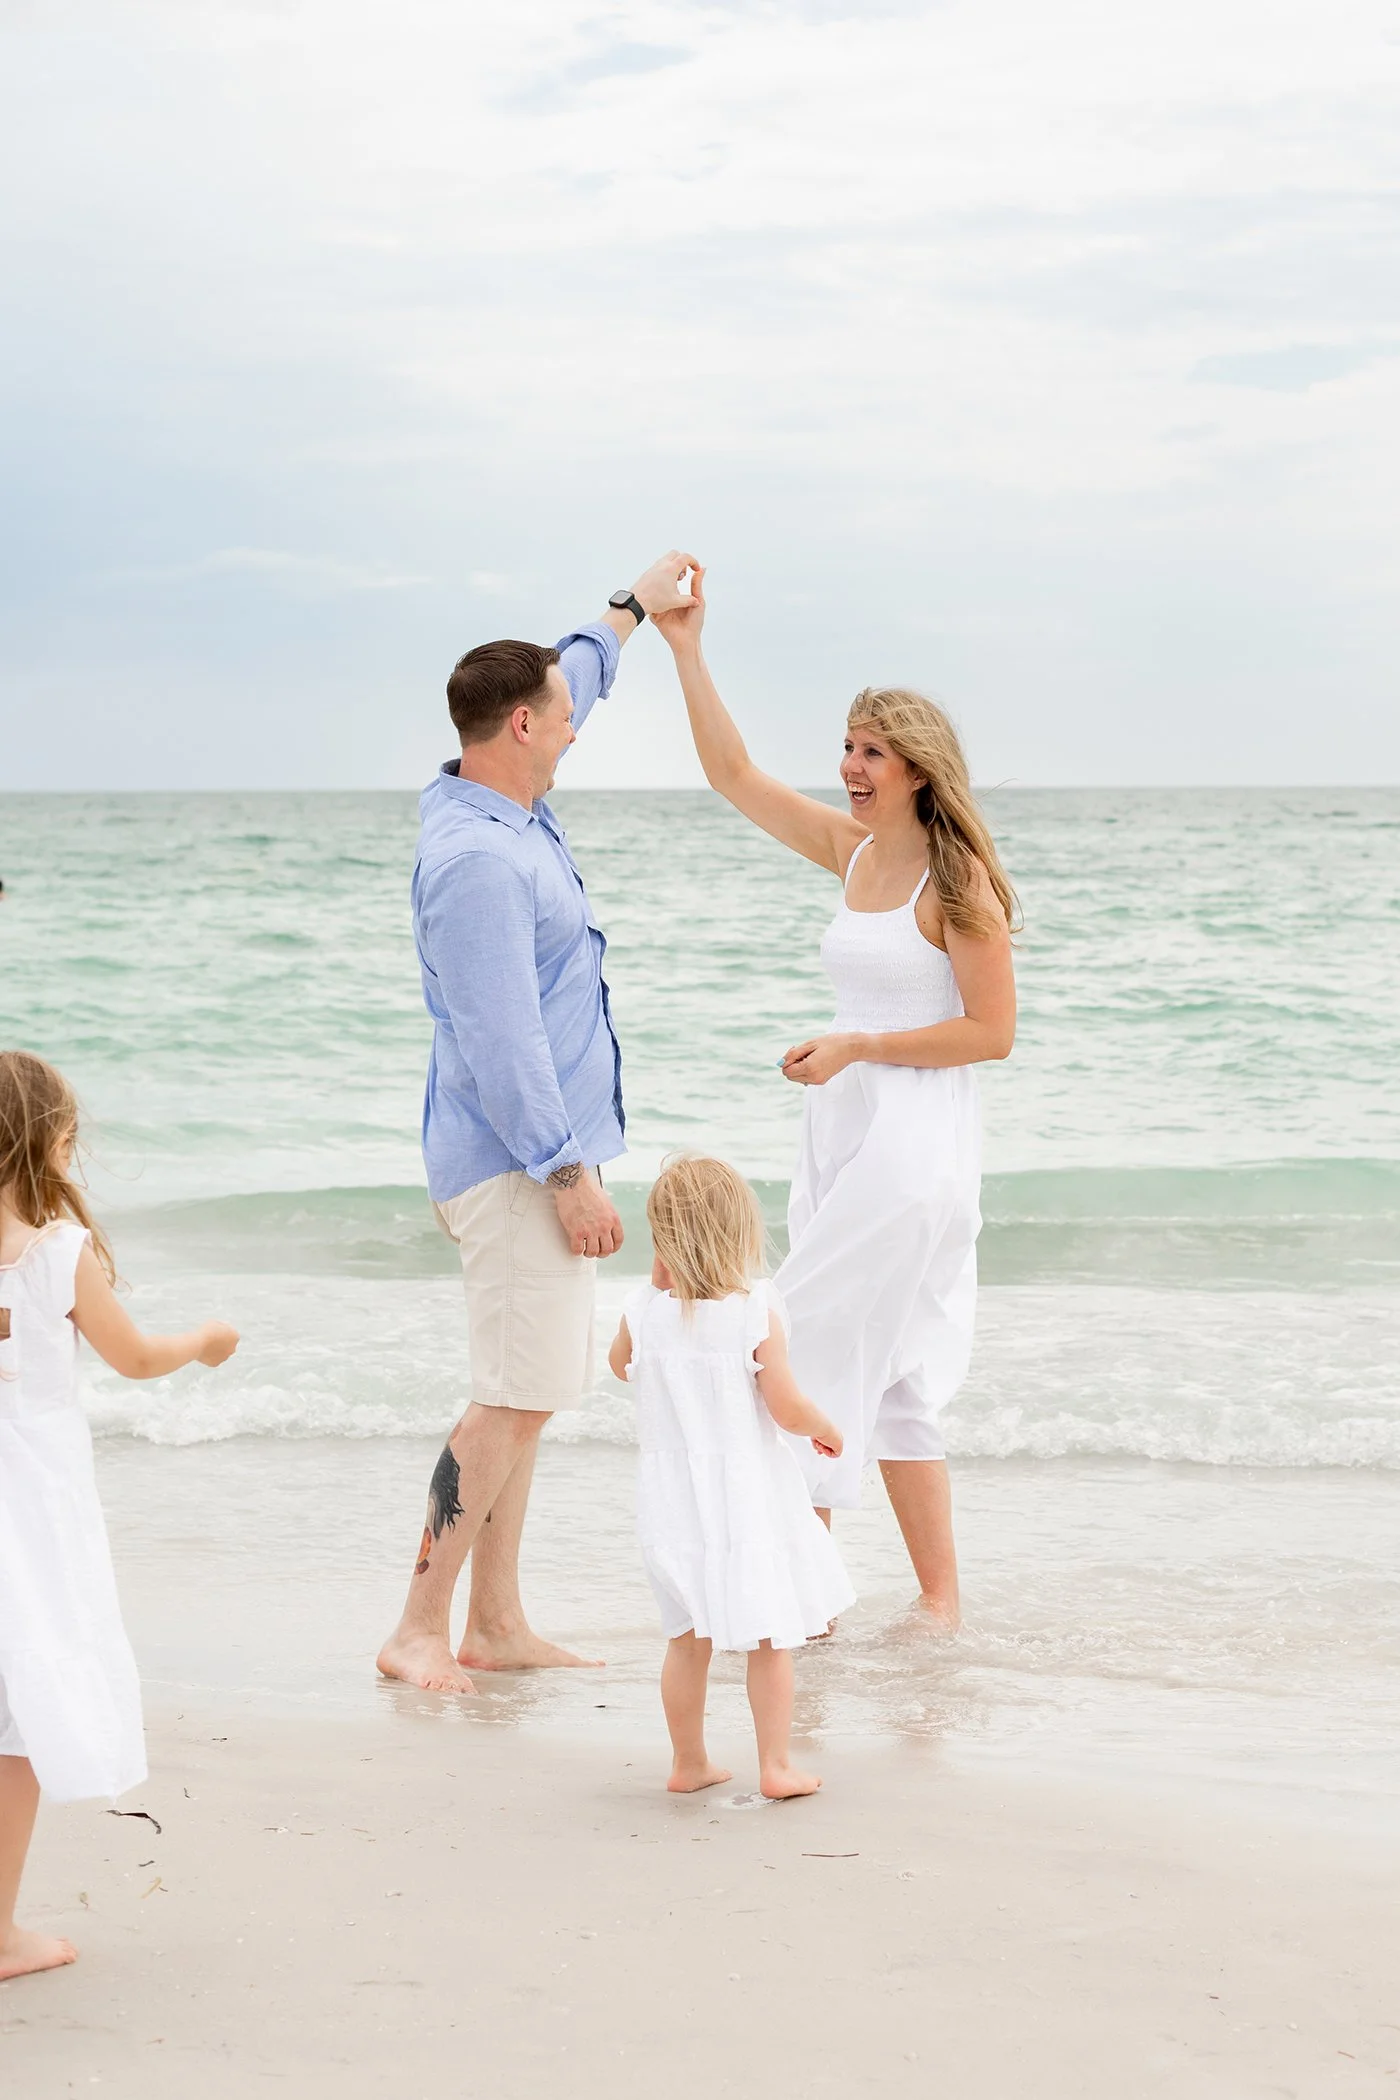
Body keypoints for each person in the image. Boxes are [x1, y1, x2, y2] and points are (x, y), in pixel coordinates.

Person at [653, 572, 1017, 1630]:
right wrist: (686, 649)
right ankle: (938, 1605)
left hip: (914, 1151)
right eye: (847, 747)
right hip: (842, 1138)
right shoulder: (852, 854)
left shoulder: (957, 886)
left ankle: (792, 1593)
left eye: (869, 751)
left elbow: (990, 1033)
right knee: (891, 1373)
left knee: (797, 1349)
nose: (849, 767)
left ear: (916, 769)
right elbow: (730, 774)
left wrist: (858, 1043)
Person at [377, 553, 701, 1696]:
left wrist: (632, 609)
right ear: (518, 726)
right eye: (559, 723)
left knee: (530, 1393)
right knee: (509, 1397)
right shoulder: (475, 859)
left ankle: (496, 1620)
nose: (574, 731)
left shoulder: (499, 793)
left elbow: (576, 674)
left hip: (533, 1155)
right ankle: (419, 1627)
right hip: (515, 1160)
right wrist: (567, 1174)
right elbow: (501, 1037)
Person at [0, 1050, 238, 1981]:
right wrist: (208, 1340)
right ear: (48, 1142)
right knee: (17, 1713)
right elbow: (136, 1358)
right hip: (32, 1510)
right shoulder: (60, 1254)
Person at [608, 1156, 854, 1799]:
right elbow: (785, 1404)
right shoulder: (755, 1308)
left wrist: (659, 1285)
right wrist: (824, 1427)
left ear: (664, 1238)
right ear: (740, 1232)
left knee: (686, 1639)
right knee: (771, 1636)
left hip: (672, 1506)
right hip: (747, 1503)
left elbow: (618, 1365)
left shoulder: (642, 1311)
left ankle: (688, 1763)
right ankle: (775, 1766)